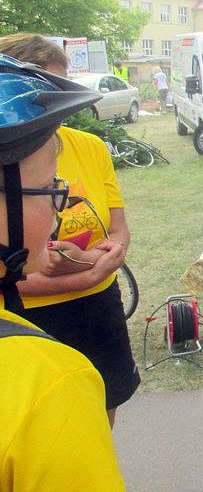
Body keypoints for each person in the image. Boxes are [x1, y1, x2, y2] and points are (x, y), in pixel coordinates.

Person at [0, 34, 139, 428]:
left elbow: (118, 228)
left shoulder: (91, 147)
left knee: (101, 412)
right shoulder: (8, 157)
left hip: (96, 307)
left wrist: (109, 256)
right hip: (29, 314)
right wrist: (87, 271)